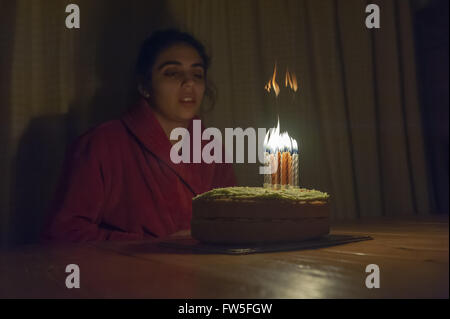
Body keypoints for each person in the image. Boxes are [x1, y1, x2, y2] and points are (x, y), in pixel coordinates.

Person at [42, 29, 236, 242]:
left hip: (203, 273)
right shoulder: (102, 144)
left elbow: (231, 223)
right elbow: (63, 232)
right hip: (129, 273)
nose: (189, 83)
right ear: (144, 85)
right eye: (172, 73)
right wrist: (152, 246)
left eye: (197, 75)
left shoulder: (212, 149)